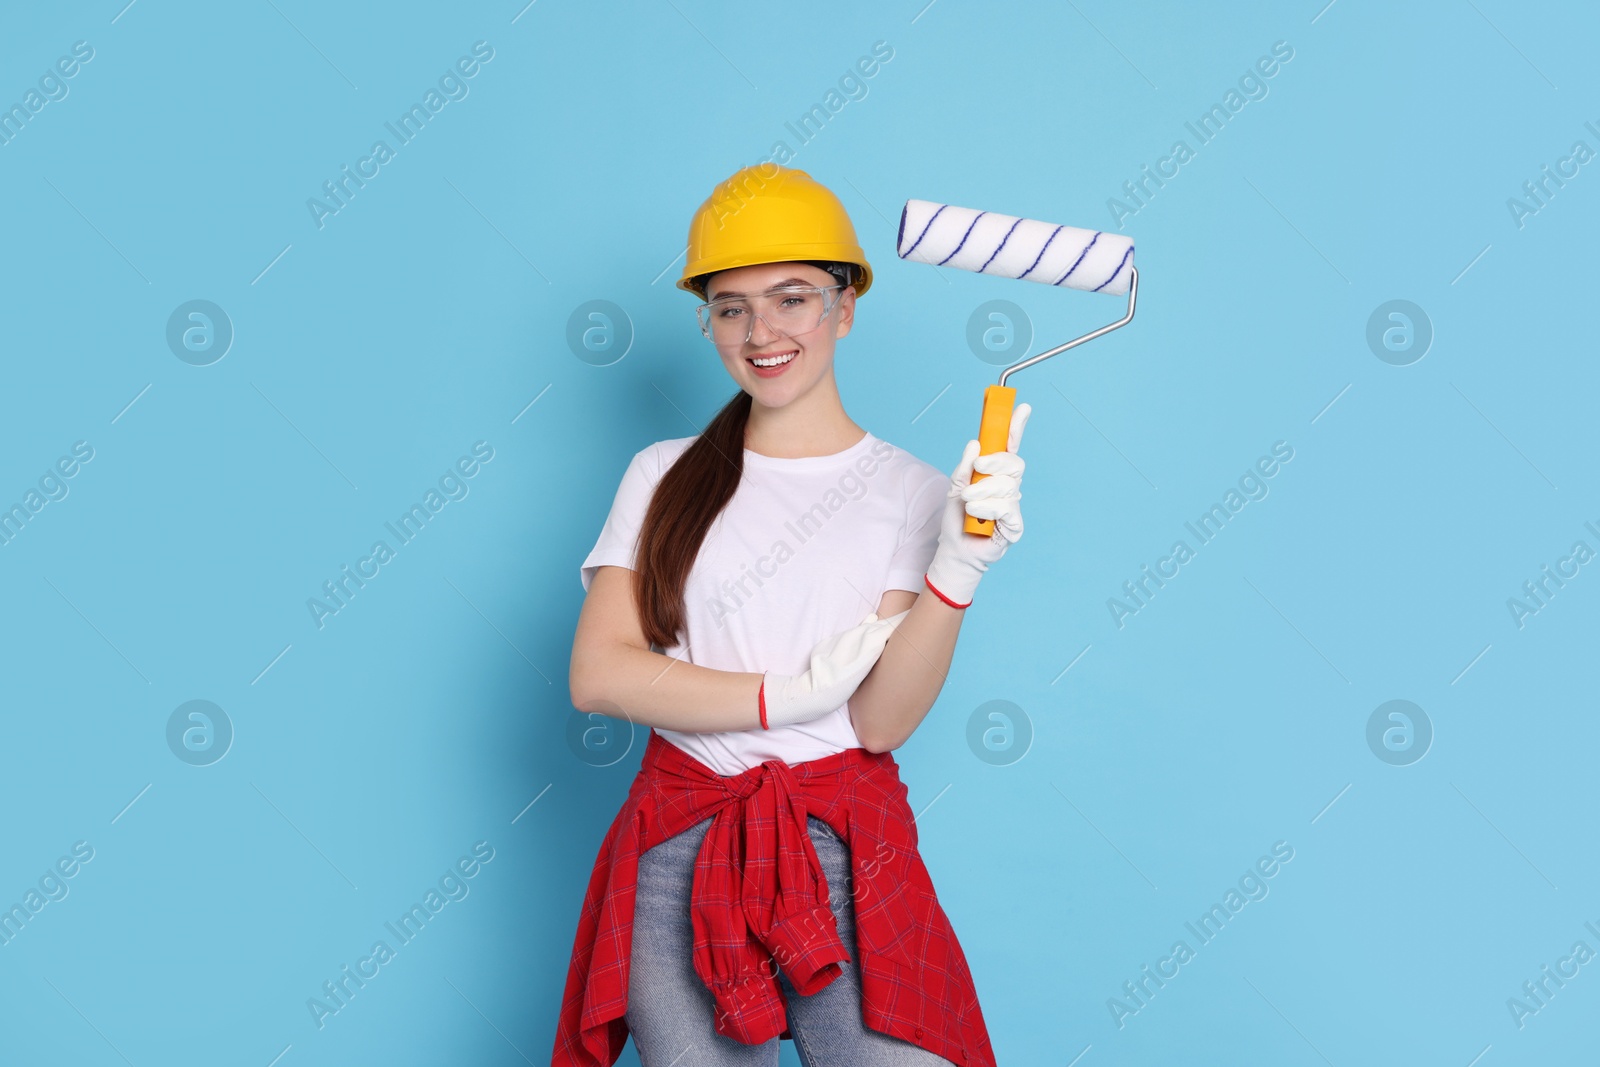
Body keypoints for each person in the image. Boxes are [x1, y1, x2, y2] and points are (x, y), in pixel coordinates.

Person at [550, 164, 1030, 1067]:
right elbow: (598, 673)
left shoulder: (914, 491)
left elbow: (880, 719)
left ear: (845, 307)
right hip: (683, 852)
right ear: (708, 322)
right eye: (731, 307)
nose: (762, 332)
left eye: (792, 298)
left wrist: (957, 572)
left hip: (848, 856)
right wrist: (782, 695)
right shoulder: (662, 475)